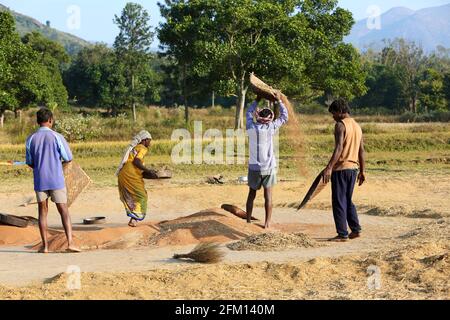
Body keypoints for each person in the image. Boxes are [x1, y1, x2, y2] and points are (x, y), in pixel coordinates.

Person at [25, 108, 80, 253]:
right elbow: (68, 157)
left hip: (40, 180)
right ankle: (70, 243)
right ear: (50, 120)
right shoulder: (57, 137)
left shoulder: (30, 139)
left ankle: (45, 246)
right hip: (56, 179)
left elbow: (29, 162)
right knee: (63, 210)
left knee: (42, 212)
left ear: (38, 121)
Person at [322, 99, 366, 242]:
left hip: (341, 169)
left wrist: (329, 168)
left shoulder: (340, 125)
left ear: (340, 111)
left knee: (339, 201)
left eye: (334, 113)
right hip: (353, 169)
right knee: (347, 199)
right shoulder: (357, 126)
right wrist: (362, 171)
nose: (333, 117)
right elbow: (361, 151)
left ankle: (342, 234)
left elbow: (339, 148)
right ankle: (356, 229)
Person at [245, 92, 289, 229]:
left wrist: (257, 99)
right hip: (268, 168)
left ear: (258, 117)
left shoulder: (251, 127)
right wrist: (278, 101)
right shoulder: (271, 128)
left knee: (251, 194)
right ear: (270, 118)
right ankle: (267, 223)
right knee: (268, 196)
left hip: (254, 168)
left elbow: (249, 112)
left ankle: (247, 220)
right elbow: (284, 116)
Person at [116, 130, 154, 227]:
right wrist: (149, 171)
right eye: (149, 140)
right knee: (142, 196)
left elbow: (137, 167)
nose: (150, 143)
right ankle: (134, 219)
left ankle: (133, 218)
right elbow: (136, 162)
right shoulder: (143, 148)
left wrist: (150, 173)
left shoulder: (134, 148)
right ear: (144, 140)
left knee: (135, 195)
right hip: (130, 175)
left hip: (123, 174)